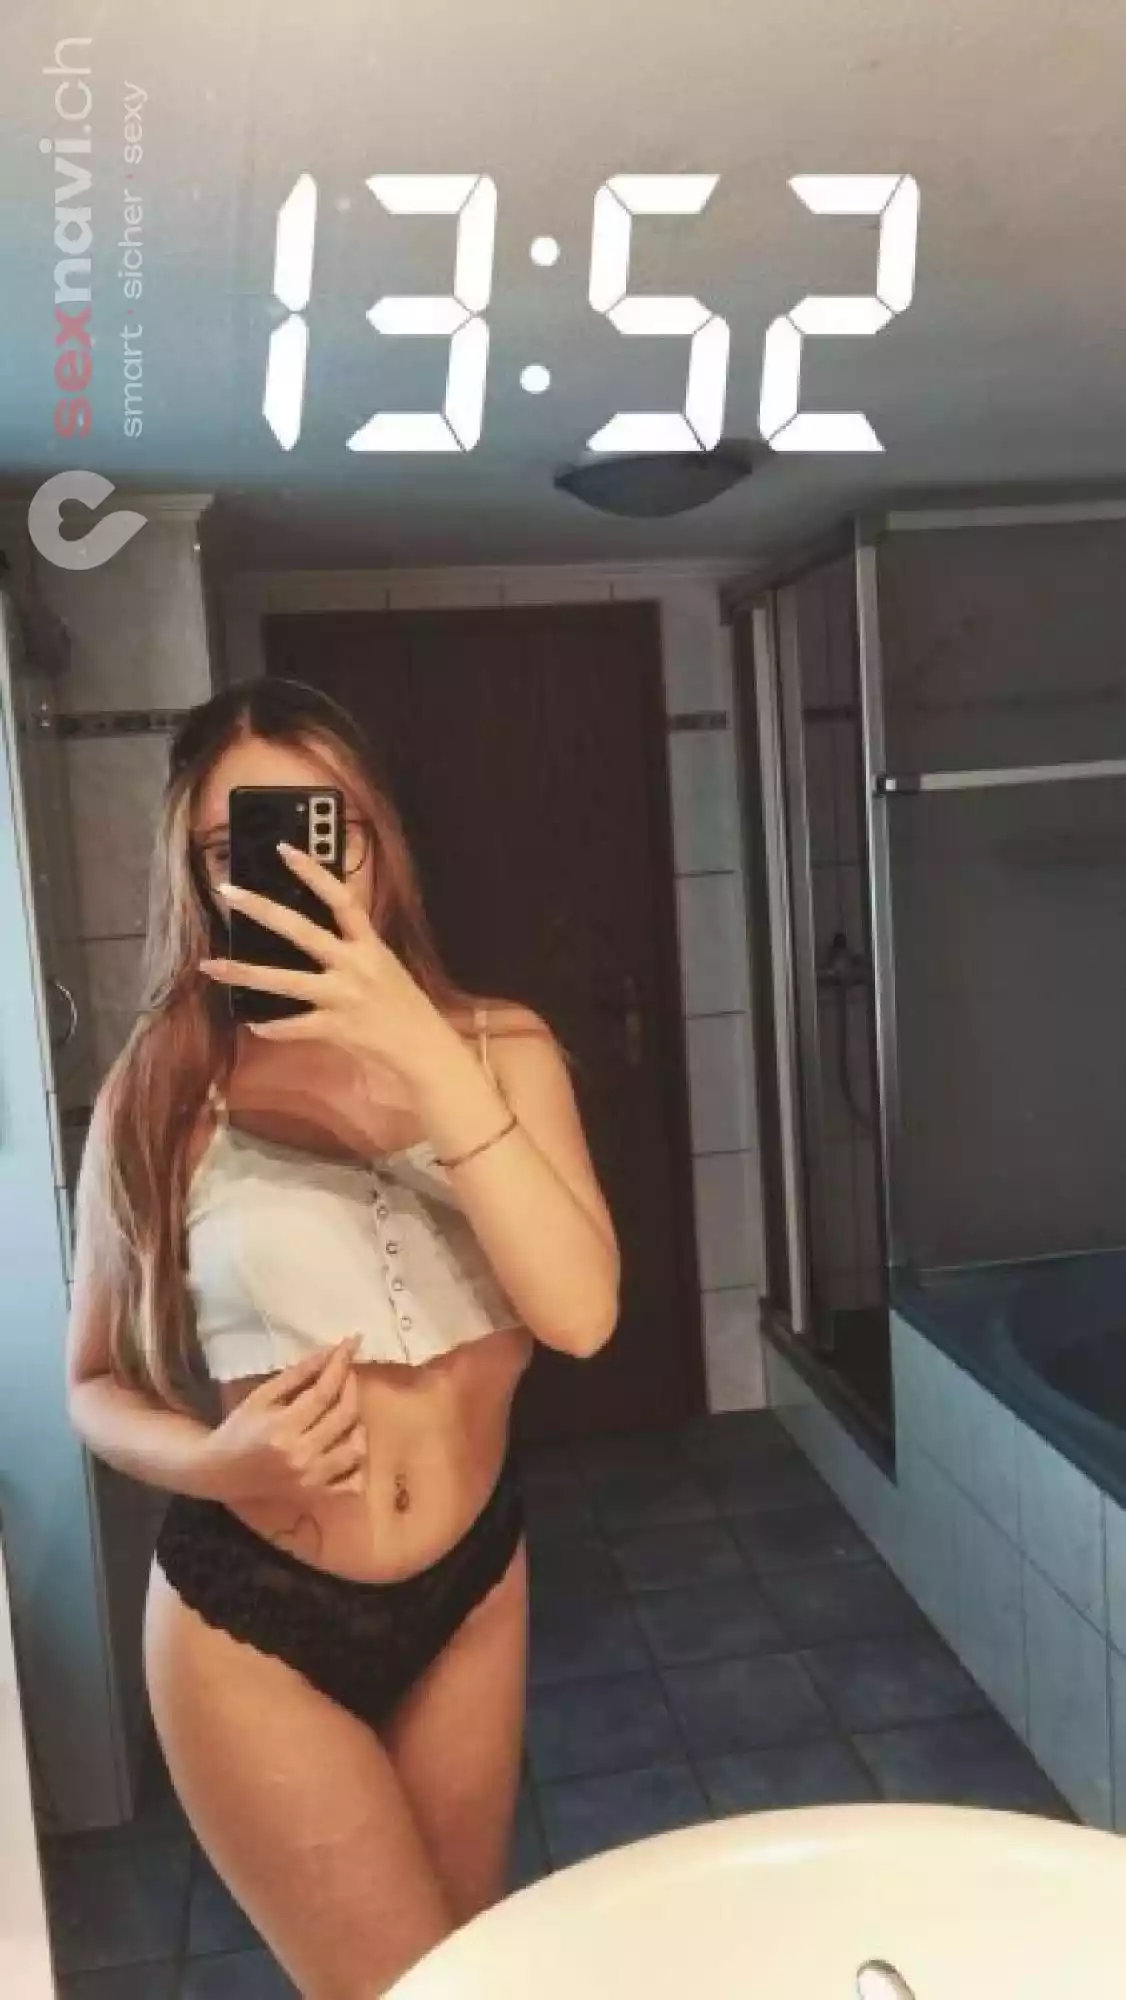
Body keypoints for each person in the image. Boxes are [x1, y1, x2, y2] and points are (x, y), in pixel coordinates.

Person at [65, 678, 620, 1999]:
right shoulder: (163, 1087)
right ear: (199, 871)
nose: (291, 871)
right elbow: (89, 1382)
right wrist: (215, 1464)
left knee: (465, 1973)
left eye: (326, 831)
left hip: (472, 1587)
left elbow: (582, 1316)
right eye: (233, 843)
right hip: (253, 1620)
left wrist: (418, 1049)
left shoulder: (502, 1050)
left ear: (376, 844)